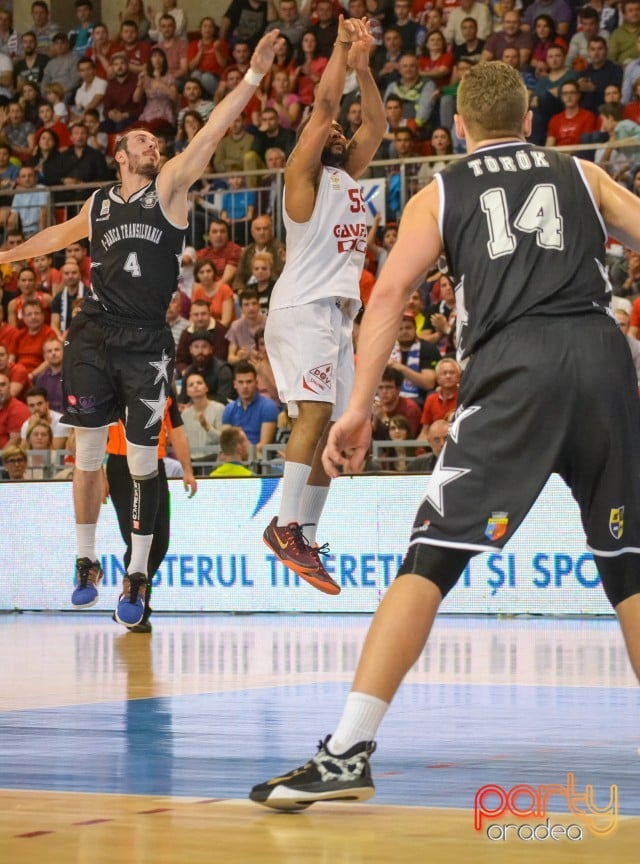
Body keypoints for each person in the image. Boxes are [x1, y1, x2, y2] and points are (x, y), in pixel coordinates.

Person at [250, 60, 640, 810]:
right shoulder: (579, 174)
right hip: (601, 357)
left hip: (515, 367)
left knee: (428, 561)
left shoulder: (443, 189)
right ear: (528, 120)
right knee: (628, 564)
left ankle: (346, 751)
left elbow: (391, 293)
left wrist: (359, 406)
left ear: (459, 127)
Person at [0, 29, 279, 628]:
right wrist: (10, 255)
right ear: (120, 155)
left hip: (147, 339)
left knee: (147, 465)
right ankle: (83, 562)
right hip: (95, 331)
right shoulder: (99, 205)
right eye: (143, 141)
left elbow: (209, 134)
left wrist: (252, 78)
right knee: (89, 453)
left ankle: (137, 573)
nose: (154, 144)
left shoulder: (170, 190)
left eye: (156, 140)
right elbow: (56, 237)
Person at [262, 15, 385, 596]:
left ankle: (303, 531)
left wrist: (365, 69)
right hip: (303, 306)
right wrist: (339, 49)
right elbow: (327, 106)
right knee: (312, 416)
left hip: (335, 315)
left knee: (335, 431)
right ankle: (283, 526)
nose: (339, 136)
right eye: (330, 134)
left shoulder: (345, 178)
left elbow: (377, 126)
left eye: (341, 136)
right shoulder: (302, 179)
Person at [105, 389, 196, 632]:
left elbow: (175, 427)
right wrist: (98, 471)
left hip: (154, 463)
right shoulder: (115, 379)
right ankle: (137, 605)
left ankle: (133, 596)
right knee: (136, 539)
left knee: (160, 540)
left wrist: (187, 468)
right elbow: (94, 429)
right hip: (119, 462)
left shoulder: (164, 385)